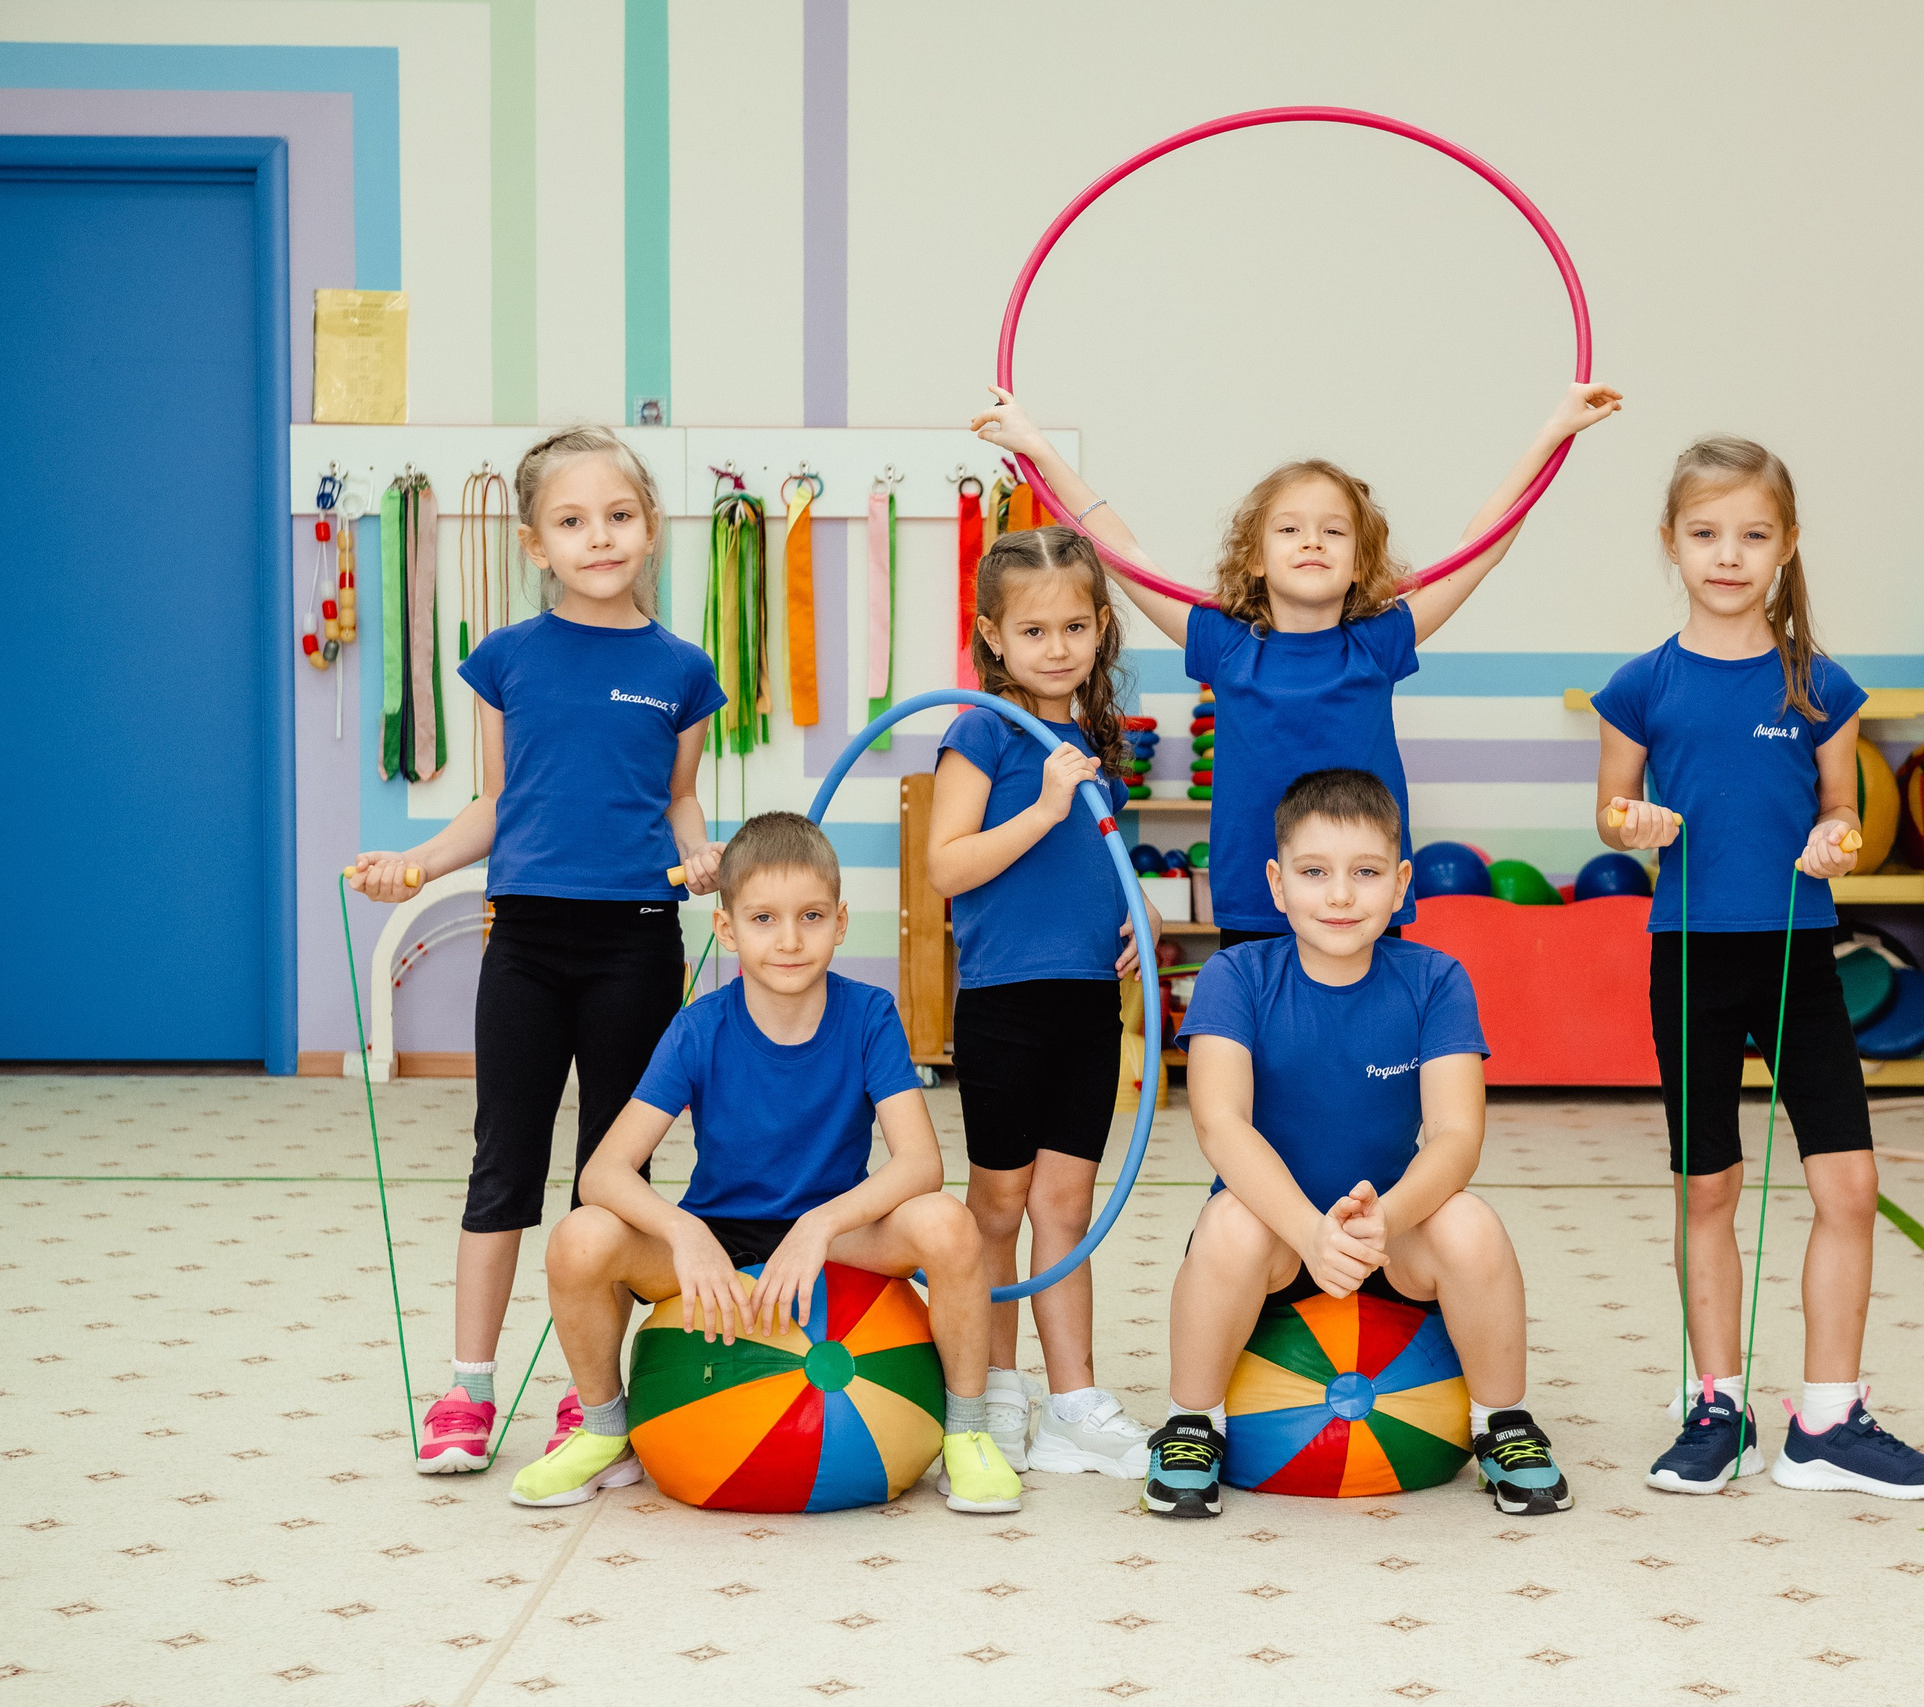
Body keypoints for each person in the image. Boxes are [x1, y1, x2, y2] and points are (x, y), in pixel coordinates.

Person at [346, 426, 726, 1476]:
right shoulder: (508, 658)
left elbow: (680, 799)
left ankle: (587, 1391)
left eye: (618, 516)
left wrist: (701, 857)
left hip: (637, 943)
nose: (598, 537)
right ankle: (467, 1390)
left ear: (650, 528)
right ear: (534, 543)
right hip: (523, 942)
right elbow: (497, 801)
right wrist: (417, 864)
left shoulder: (683, 670)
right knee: (502, 1160)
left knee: (612, 1173)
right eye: (572, 521)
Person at [1593, 434, 1924, 1500]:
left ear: (1787, 545)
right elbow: (1612, 811)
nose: (1728, 554)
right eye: (1706, 533)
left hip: (1800, 953)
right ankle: (1716, 1406)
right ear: (1671, 543)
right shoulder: (1641, 684)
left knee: (1850, 1184)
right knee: (1707, 1185)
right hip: (1691, 958)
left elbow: (1841, 809)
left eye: (1752, 535)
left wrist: (1838, 839)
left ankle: (1827, 1420)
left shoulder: (1820, 685)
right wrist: (1632, 822)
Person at [971, 382, 1621, 948]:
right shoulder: (1226, 644)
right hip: (1257, 896)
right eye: (1289, 529)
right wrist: (1039, 448)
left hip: (1363, 897)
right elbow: (1120, 550)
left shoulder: (1378, 643)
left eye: (1333, 531)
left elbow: (1481, 546)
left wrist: (1552, 432)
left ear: (1360, 563)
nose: (1312, 540)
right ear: (1255, 559)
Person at [509, 812, 1020, 1512]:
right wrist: (685, 1232)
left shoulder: (870, 1014)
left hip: (835, 1234)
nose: (789, 940)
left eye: (811, 916)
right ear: (727, 929)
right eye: (763, 918)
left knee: (948, 1223)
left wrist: (819, 1225)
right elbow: (604, 1172)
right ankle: (604, 1431)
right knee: (580, 1236)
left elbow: (920, 1165)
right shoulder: (698, 1027)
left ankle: (966, 1432)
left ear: (840, 922)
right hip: (721, 1232)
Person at [1140, 768, 1572, 1520]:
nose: (1340, 895)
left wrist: (1388, 1218)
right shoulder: (1234, 975)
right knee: (1230, 1222)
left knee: (1471, 1223)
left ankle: (1502, 1421)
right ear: (1276, 884)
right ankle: (1191, 1422)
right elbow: (1220, 1123)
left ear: (1401, 884)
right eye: (1314, 872)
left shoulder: (1436, 979)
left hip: (1388, 1240)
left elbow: (1457, 1135)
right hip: (1279, 1242)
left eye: (1366, 873)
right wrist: (1309, 1230)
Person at [927, 526, 1162, 1477]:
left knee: (1066, 1205)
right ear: (993, 636)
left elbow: (1098, 857)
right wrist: (1043, 807)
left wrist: (1139, 906)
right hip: (1004, 1003)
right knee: (996, 1206)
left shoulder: (1092, 740)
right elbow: (948, 866)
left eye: (1074, 627)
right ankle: (993, 1389)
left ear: (1100, 627)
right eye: (1032, 631)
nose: (1056, 648)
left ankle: (1073, 1400)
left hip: (1087, 1003)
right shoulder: (982, 731)